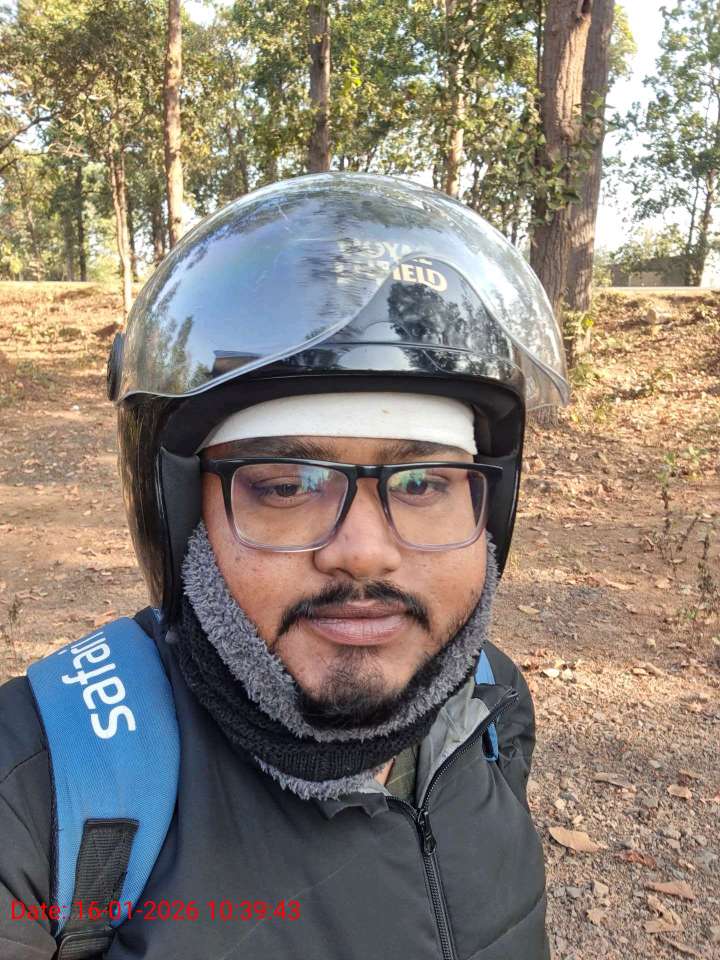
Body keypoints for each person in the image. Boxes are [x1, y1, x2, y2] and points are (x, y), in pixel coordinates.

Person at [0, 173, 569, 960]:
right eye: (286, 485)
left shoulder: (491, 703)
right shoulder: (41, 785)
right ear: (183, 518)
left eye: (422, 483)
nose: (364, 551)